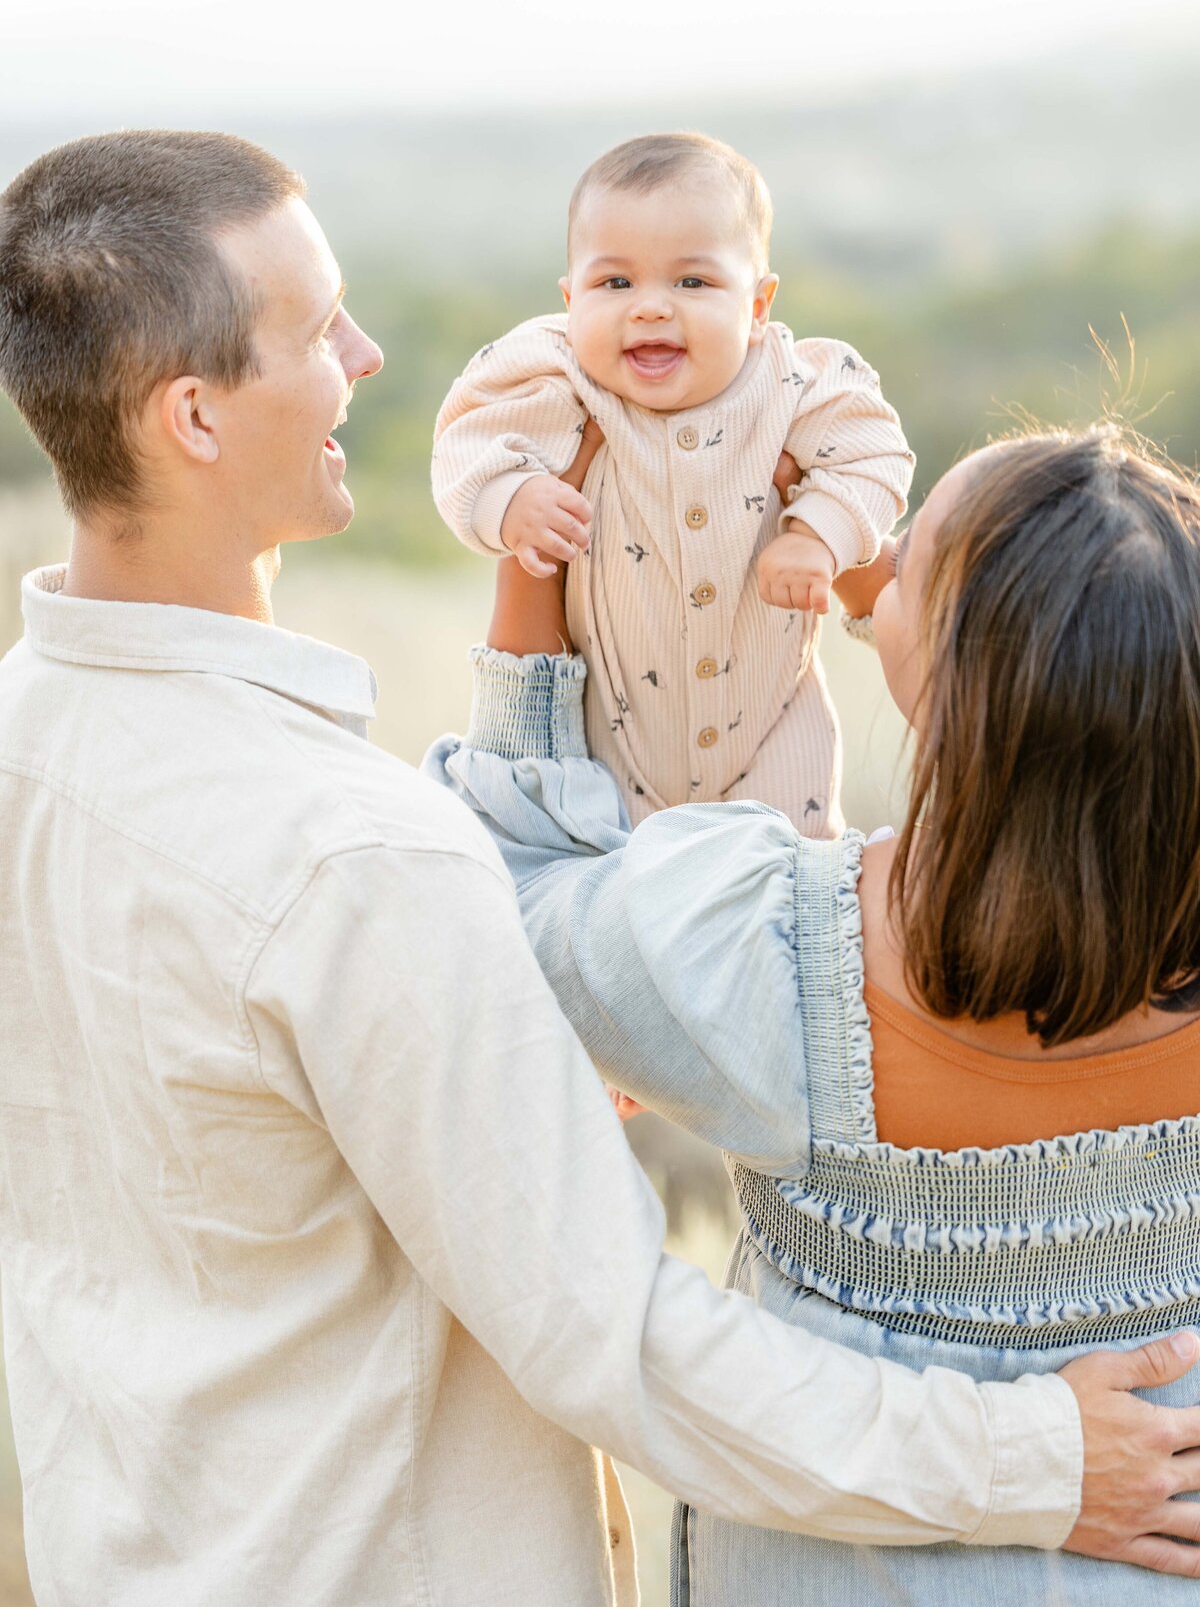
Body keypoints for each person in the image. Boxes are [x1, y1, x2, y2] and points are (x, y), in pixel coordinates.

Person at [0, 133, 1196, 1607]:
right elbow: (613, 1337)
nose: (374, 358)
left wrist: (537, 588)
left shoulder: (22, 744)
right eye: (322, 330)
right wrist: (1032, 1462)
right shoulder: (358, 866)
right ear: (191, 413)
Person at [429, 418, 1200, 1600]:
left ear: (947, 681)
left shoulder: (764, 951)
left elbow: (504, 899)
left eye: (906, 558)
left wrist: (533, 574)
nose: (872, 557)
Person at [431, 131, 914, 836]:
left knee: (781, 891)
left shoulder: (792, 384)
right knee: (629, 905)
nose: (650, 307)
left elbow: (873, 450)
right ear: (570, 301)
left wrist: (818, 534)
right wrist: (513, 501)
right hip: (616, 768)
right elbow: (466, 439)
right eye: (614, 283)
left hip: (774, 755)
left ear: (757, 307)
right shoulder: (559, 380)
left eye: (692, 282)